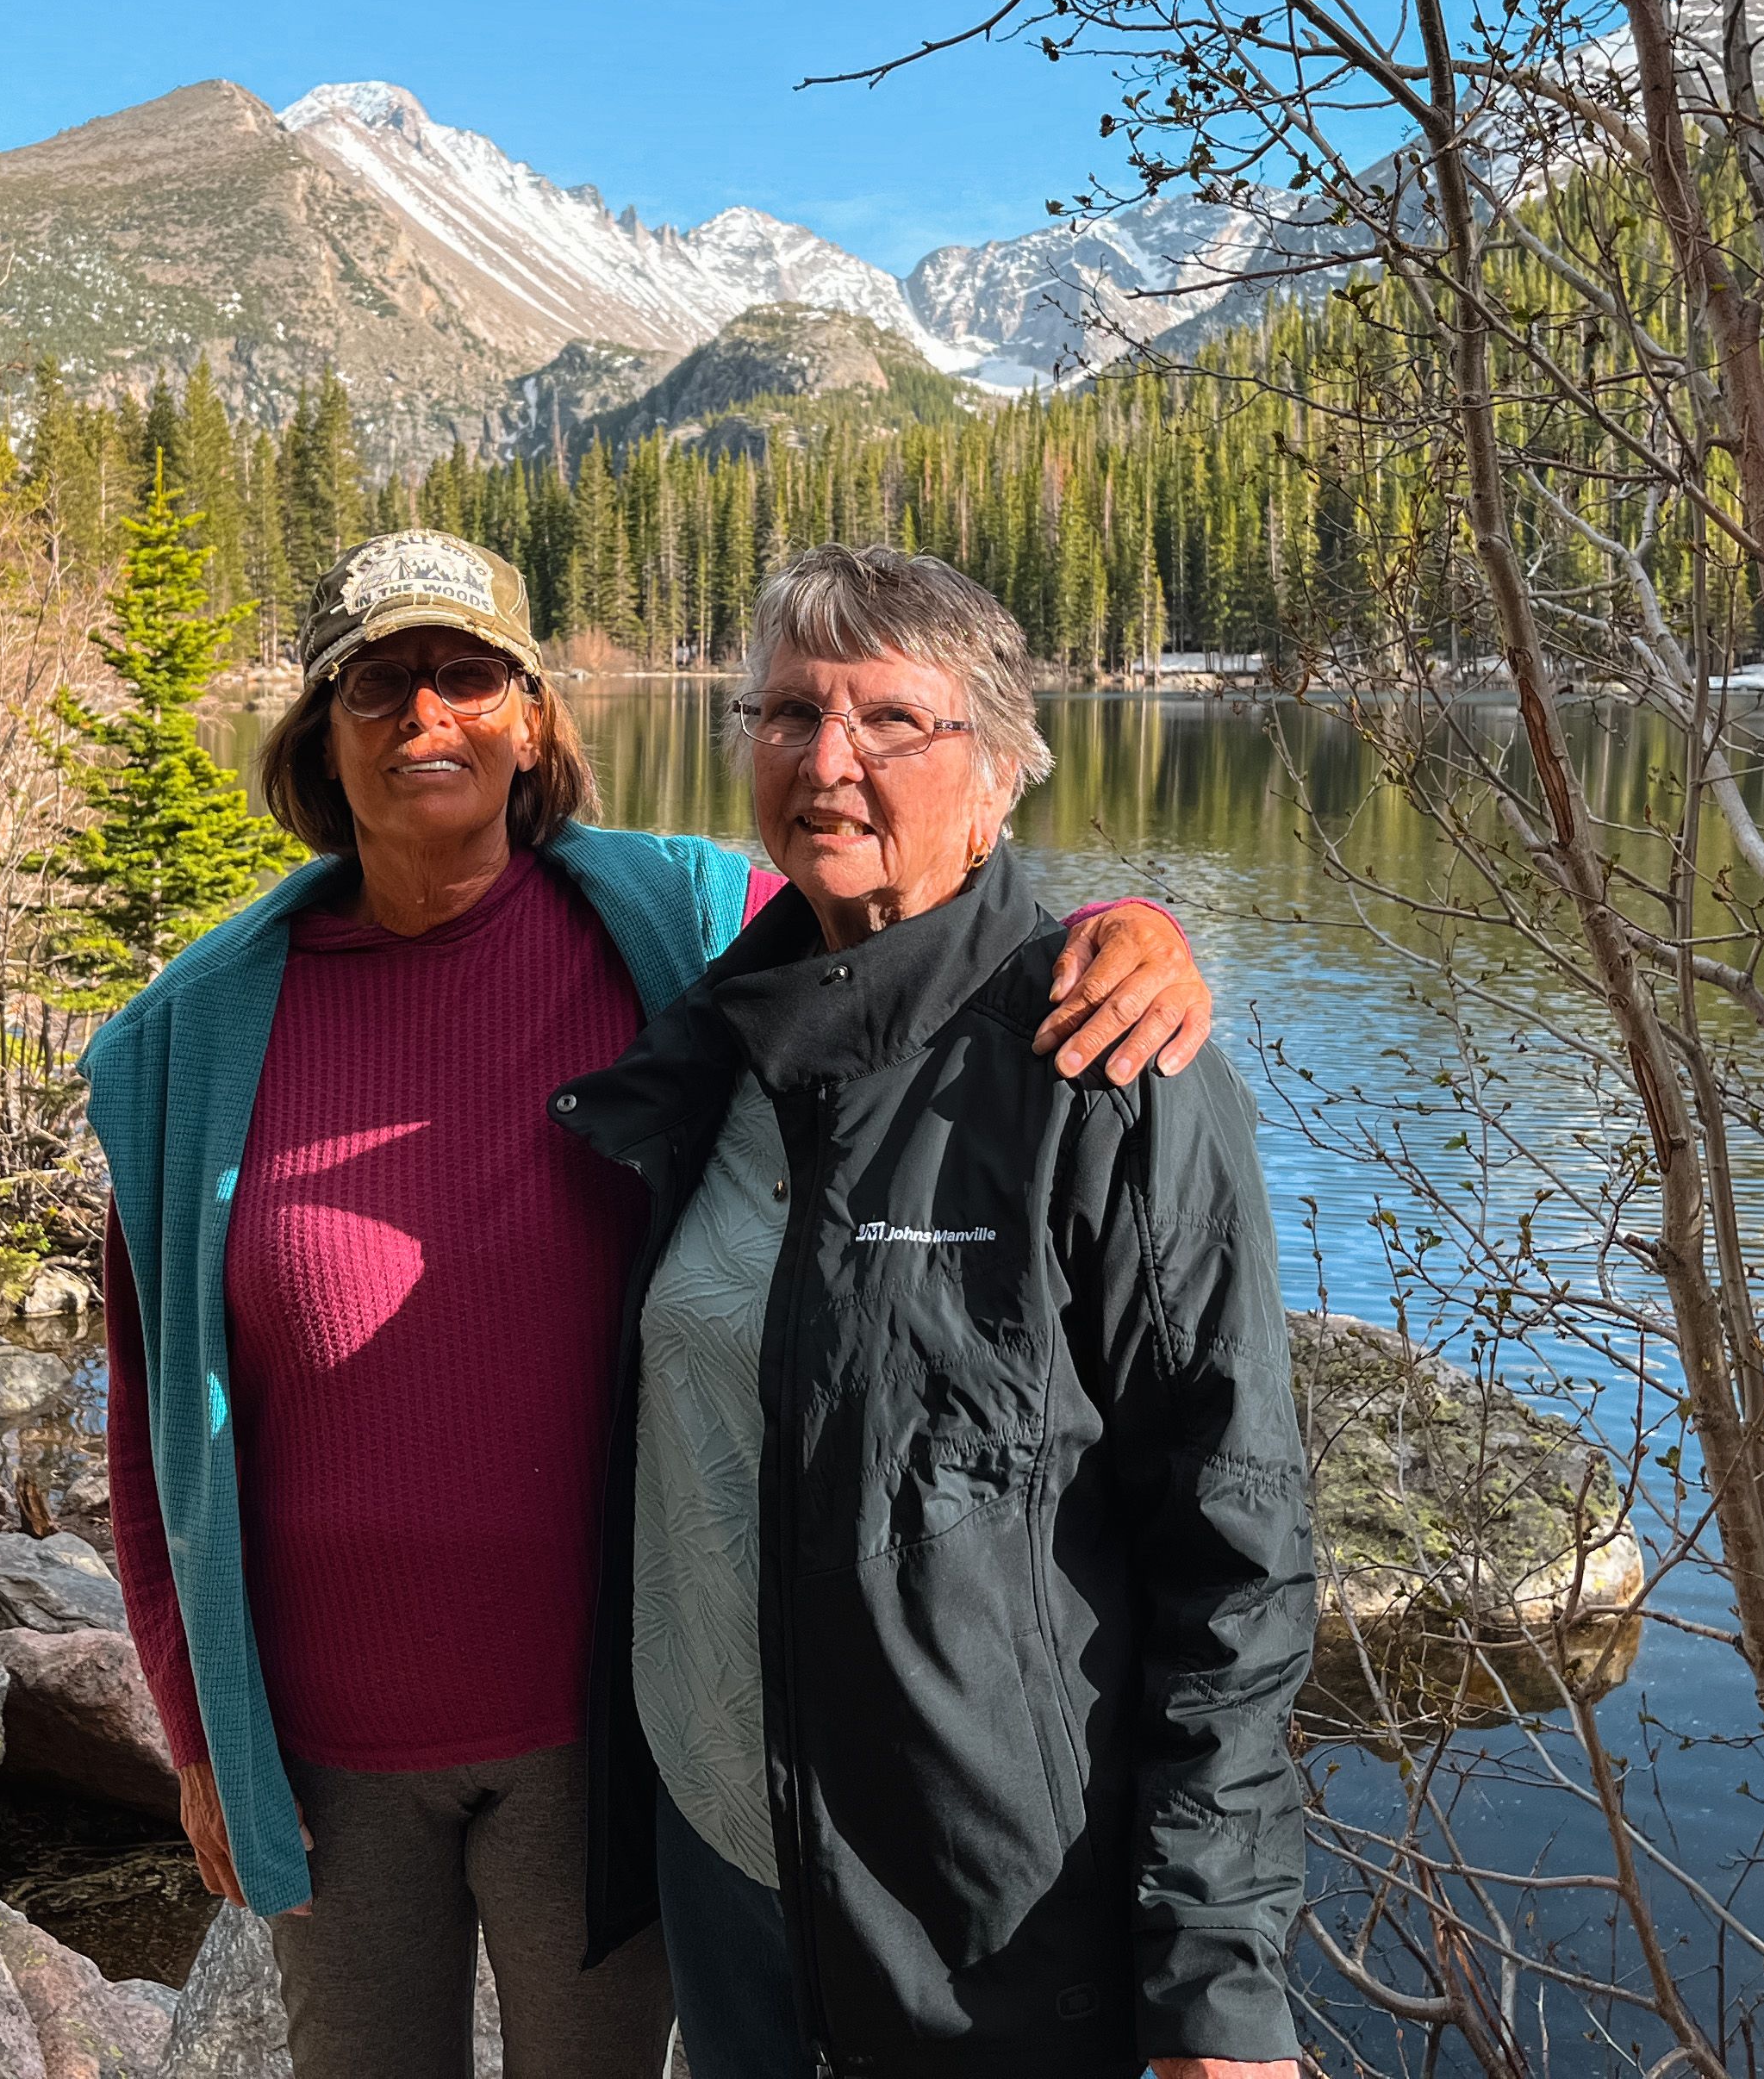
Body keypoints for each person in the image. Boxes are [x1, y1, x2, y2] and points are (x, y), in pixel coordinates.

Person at [84, 527, 1221, 2079]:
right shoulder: (192, 1036)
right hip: (326, 1745)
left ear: (537, 720)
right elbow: (150, 1412)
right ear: (318, 734)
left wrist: (1131, 932)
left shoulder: (671, 924)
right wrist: (191, 1710)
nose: (429, 718)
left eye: (470, 676)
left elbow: (917, 915)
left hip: (604, 1735)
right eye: (380, 685)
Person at [553, 544, 1314, 2079]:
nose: (829, 761)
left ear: (1002, 771)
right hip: (725, 1852)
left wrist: (1215, 1976)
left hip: (985, 1927)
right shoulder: (719, 1043)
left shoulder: (1109, 1075)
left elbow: (1235, 1544)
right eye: (785, 714)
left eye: (893, 721)